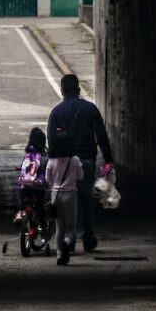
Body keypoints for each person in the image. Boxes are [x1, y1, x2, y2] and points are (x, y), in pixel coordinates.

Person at [47, 73, 114, 252]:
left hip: (63, 165)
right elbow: (101, 135)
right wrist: (108, 159)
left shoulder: (56, 112)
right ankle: (89, 237)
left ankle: (69, 239)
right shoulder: (90, 109)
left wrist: (52, 165)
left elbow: (51, 142)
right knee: (86, 202)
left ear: (62, 91)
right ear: (78, 90)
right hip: (86, 161)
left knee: (65, 204)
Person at [46, 149, 83, 265]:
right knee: (71, 227)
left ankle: (59, 255)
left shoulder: (51, 160)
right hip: (70, 194)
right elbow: (80, 176)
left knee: (59, 228)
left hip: (56, 195)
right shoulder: (75, 159)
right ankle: (66, 243)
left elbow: (48, 180)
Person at [15, 127, 48, 225]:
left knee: (21, 190)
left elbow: (23, 171)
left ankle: (19, 212)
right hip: (38, 187)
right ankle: (43, 228)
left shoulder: (27, 156)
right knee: (40, 207)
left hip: (25, 186)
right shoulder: (44, 158)